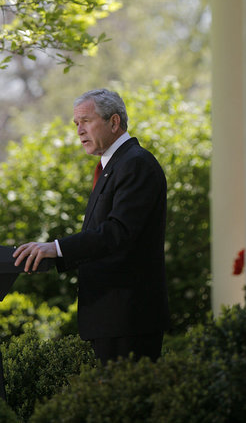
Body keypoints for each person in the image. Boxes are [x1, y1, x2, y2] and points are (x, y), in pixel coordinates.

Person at [12, 89, 169, 364]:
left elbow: (117, 232)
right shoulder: (114, 165)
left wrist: (57, 248)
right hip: (110, 317)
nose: (79, 131)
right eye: (76, 124)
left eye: (86, 121)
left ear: (114, 122)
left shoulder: (136, 164)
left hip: (129, 319)